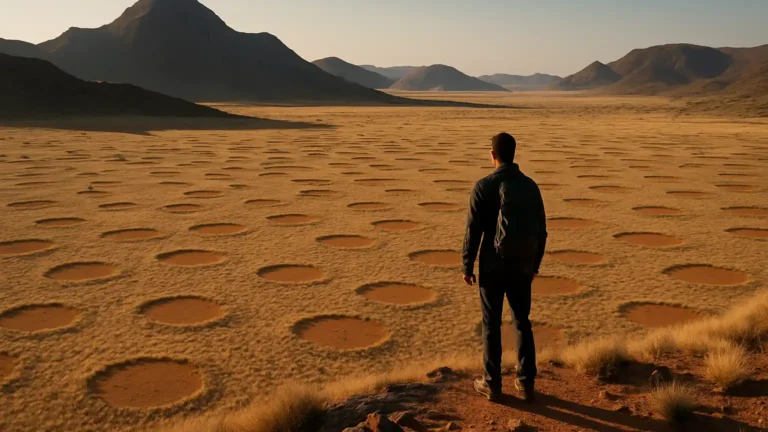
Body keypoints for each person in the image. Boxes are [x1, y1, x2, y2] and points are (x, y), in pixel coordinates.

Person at [461, 132, 548, 403]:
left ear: (493, 155)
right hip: (521, 267)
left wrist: (467, 265)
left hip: (491, 267)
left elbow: (473, 231)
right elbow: (542, 231)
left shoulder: (483, 186)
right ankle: (526, 384)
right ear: (513, 154)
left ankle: (492, 384)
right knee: (522, 322)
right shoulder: (530, 186)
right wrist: (534, 265)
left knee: (491, 325)